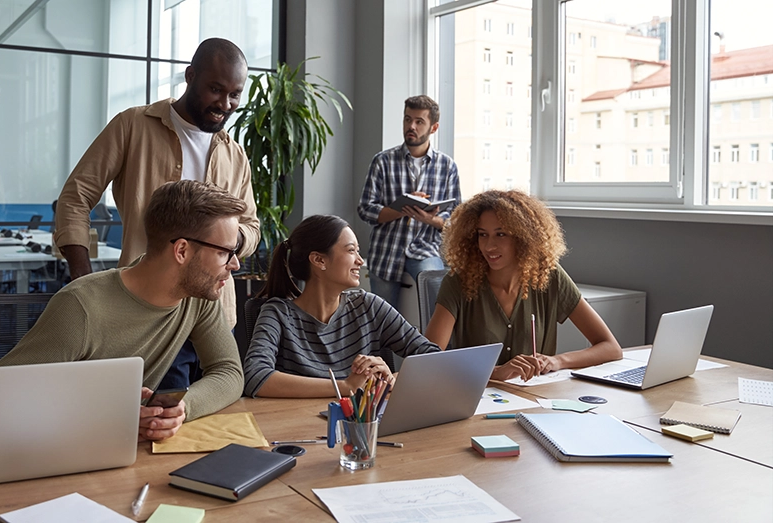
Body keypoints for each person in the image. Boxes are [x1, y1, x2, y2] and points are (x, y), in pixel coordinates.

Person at [52, 38, 261, 390]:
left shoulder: (235, 154)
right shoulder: (132, 126)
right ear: (190, 76)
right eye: (215, 89)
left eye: (235, 94)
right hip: (148, 311)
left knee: (211, 415)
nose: (225, 104)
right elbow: (75, 197)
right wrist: (81, 276)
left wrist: (225, 240)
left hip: (214, 311)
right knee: (157, 425)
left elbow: (251, 227)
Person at [0, 181, 247, 441]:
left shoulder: (198, 297)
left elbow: (228, 372)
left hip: (120, 450)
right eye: (224, 252)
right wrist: (106, 416)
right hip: (61, 447)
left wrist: (182, 409)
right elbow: (2, 396)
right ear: (181, 250)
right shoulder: (80, 307)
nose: (235, 264)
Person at [424, 190, 623, 381]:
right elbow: (428, 362)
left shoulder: (549, 275)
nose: (489, 246)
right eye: (482, 234)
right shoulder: (458, 281)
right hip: (476, 400)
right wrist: (495, 372)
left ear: (523, 238)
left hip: (536, 399)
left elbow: (610, 347)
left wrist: (556, 361)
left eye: (501, 234)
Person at [242, 215, 440, 398]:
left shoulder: (369, 306)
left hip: (363, 425)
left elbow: (434, 357)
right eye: (351, 250)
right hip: (298, 428)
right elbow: (255, 377)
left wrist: (393, 379)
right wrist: (345, 386)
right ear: (319, 260)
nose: (360, 261)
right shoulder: (277, 313)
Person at [357, 95, 461, 310]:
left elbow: (456, 218)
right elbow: (365, 209)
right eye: (407, 119)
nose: (411, 126)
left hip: (425, 249)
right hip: (386, 251)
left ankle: (438, 346)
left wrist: (430, 219)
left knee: (440, 306)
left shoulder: (447, 166)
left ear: (433, 127)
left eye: (419, 121)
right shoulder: (382, 161)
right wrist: (401, 209)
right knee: (382, 321)